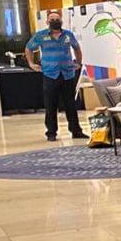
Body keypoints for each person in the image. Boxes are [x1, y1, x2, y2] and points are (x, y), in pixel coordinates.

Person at [25, 11, 87, 142]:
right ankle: (51, 132)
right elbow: (29, 48)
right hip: (50, 74)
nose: (55, 21)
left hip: (67, 74)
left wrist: (78, 62)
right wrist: (31, 63)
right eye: (52, 19)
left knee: (71, 104)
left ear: (61, 21)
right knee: (51, 105)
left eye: (57, 19)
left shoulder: (68, 35)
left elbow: (76, 48)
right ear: (47, 22)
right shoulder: (41, 35)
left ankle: (76, 131)